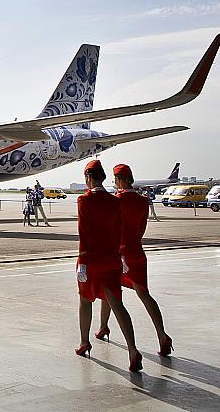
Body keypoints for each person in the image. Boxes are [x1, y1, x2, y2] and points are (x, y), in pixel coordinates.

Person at [95, 165, 173, 357]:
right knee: (144, 294)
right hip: (136, 251)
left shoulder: (116, 200)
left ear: (120, 180)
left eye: (115, 180)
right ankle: (162, 335)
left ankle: (104, 327)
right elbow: (142, 227)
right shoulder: (143, 200)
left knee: (109, 292)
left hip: (117, 253)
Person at [75, 159, 142, 372]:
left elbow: (84, 233)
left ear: (88, 177)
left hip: (92, 259)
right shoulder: (115, 201)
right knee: (117, 304)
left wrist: (82, 261)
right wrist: (120, 257)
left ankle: (84, 342)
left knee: (85, 301)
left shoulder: (84, 200)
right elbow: (118, 231)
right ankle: (133, 350)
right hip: (112, 259)